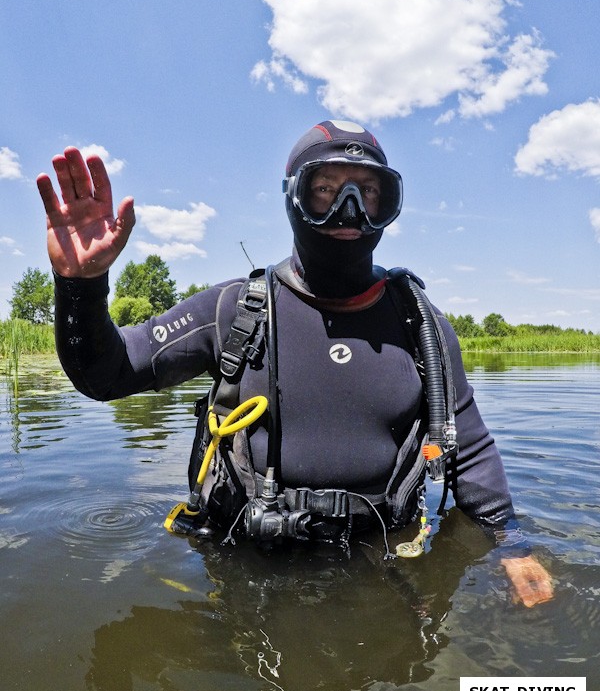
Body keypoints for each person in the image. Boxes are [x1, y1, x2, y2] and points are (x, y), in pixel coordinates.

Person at [36, 119, 553, 607]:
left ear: (388, 203)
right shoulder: (233, 311)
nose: (350, 211)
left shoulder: (422, 324)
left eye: (368, 192)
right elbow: (108, 373)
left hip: (381, 571)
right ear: (294, 198)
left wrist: (512, 544)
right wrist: (80, 287)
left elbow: (472, 444)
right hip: (251, 571)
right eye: (326, 189)